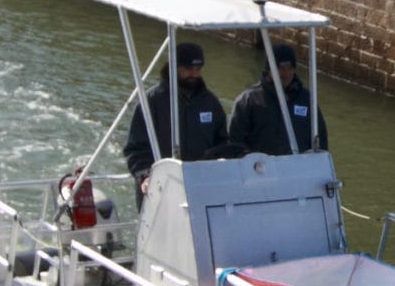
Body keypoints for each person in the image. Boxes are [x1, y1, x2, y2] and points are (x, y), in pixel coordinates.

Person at [122, 39, 226, 195]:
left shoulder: (211, 103)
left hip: (200, 186)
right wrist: (144, 175)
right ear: (173, 67)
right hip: (159, 187)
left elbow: (222, 142)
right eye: (188, 68)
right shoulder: (152, 101)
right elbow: (136, 148)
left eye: (198, 68)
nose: (194, 73)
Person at [227, 42, 329, 157]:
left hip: (297, 171)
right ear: (269, 69)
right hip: (260, 171)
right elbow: (235, 143)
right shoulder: (248, 101)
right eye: (280, 68)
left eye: (290, 68)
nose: (286, 73)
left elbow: (320, 141)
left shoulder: (307, 100)